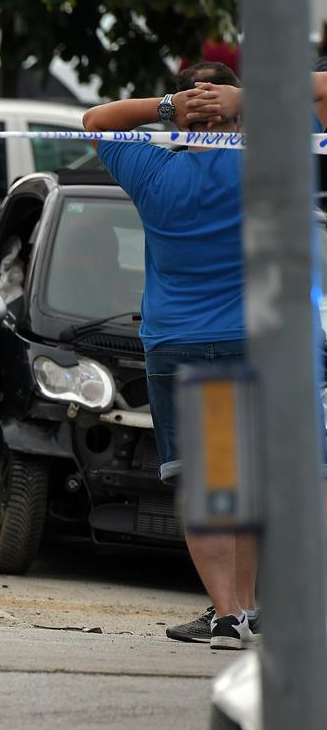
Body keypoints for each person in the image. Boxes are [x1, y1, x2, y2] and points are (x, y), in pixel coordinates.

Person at [80, 62, 278, 650]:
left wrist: (169, 107)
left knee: (206, 481)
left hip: (177, 344)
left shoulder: (151, 169)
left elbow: (95, 119)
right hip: (251, 341)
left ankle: (227, 614)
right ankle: (246, 608)